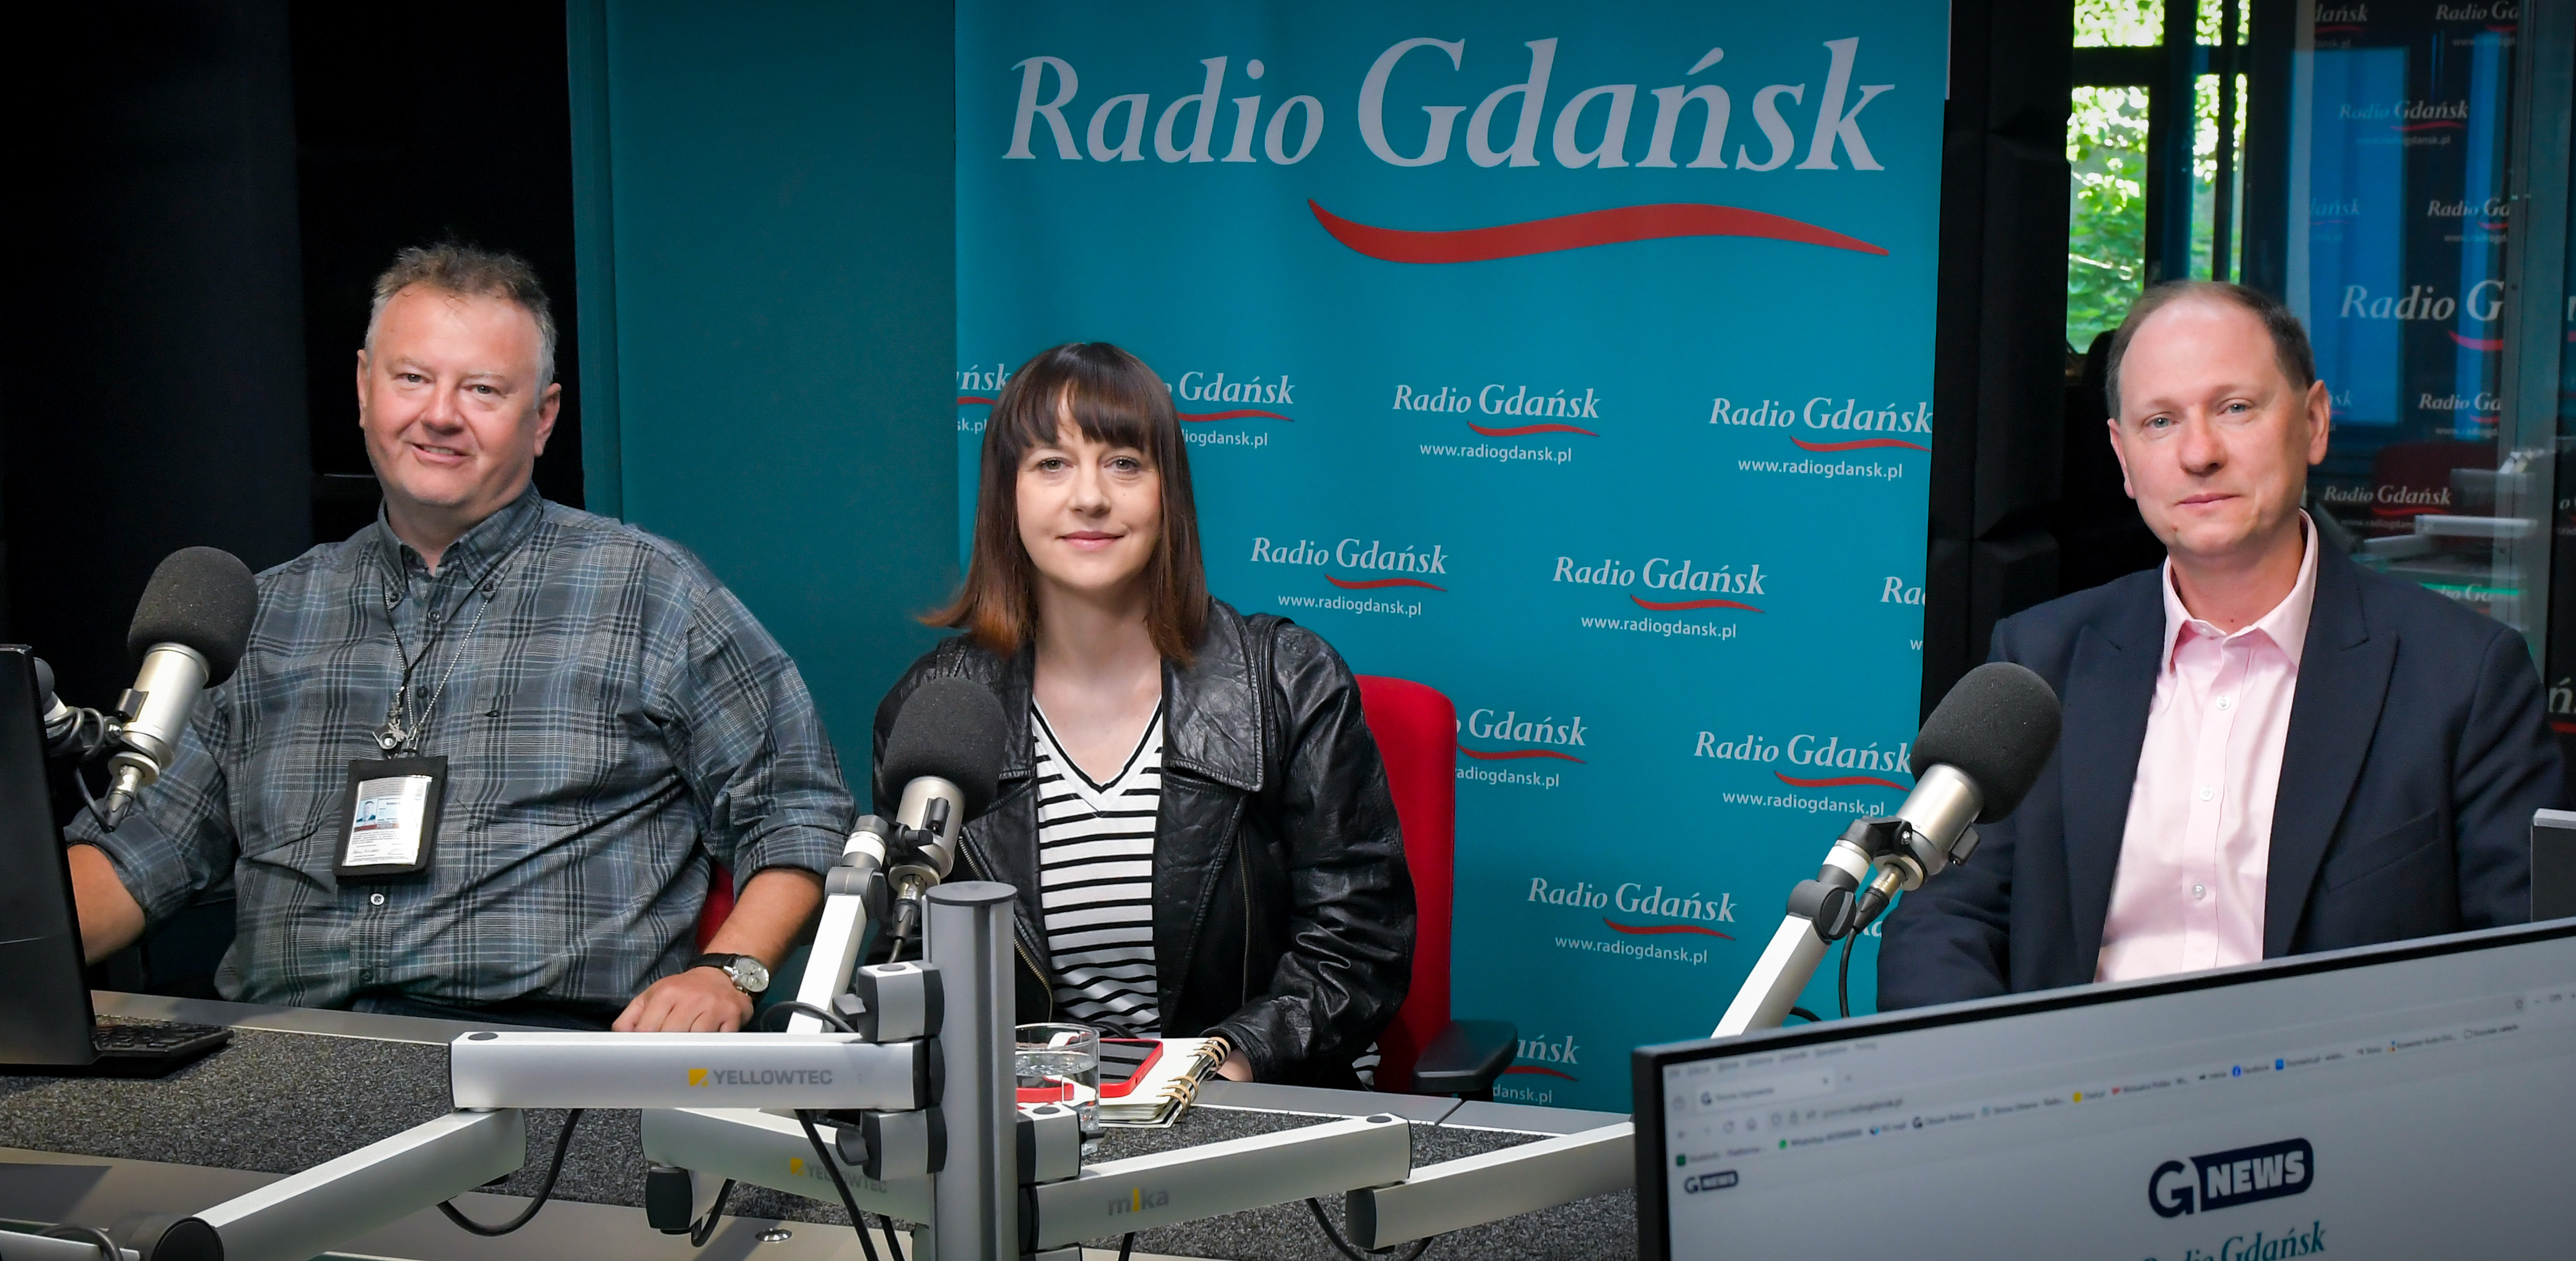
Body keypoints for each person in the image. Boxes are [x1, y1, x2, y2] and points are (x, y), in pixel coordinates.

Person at [65, 243, 852, 1032]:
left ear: (542, 418)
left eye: (481, 389)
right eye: (413, 378)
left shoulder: (651, 592)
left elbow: (799, 807)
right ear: (365, 388)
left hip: (551, 1068)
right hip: (285, 1059)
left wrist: (729, 971)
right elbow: (136, 855)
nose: (440, 413)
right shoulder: (260, 614)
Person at [1880, 280, 2562, 1008]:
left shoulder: (2465, 676)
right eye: (2160, 421)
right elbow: (1943, 919)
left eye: (2235, 408)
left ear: (2315, 421)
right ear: (2122, 454)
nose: (2198, 453)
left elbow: (2525, 976)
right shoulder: (2039, 663)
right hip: (2076, 1102)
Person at [875, 341, 1412, 1086]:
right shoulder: (937, 706)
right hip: (1021, 1141)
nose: (1089, 496)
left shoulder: (1290, 680)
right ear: (1009, 498)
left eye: (1124, 462)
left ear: (1169, 493)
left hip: (1241, 1130)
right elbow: (903, 960)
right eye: (1051, 464)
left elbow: (1358, 945)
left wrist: (1230, 1061)